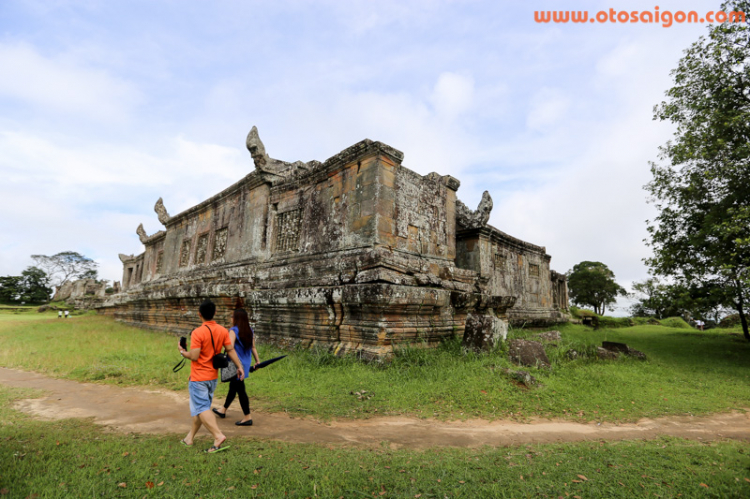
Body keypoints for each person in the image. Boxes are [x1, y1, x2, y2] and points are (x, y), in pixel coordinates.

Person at [177, 300, 244, 453]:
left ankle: (218, 435)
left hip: (199, 376)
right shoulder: (222, 330)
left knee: (201, 408)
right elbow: (230, 350)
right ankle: (189, 438)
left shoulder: (198, 332)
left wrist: (182, 351)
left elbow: (194, 356)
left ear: (199, 314)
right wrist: (239, 366)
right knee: (202, 408)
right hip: (212, 377)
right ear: (214, 313)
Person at [212, 308, 260, 426]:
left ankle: (247, 417)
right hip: (245, 363)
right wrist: (257, 361)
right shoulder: (249, 330)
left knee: (240, 389)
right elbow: (253, 348)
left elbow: (230, 348)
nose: (231, 318)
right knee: (234, 387)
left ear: (236, 318)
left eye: (232, 316)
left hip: (236, 364)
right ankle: (223, 410)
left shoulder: (233, 331)